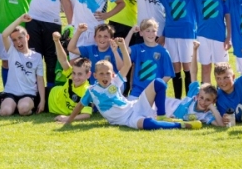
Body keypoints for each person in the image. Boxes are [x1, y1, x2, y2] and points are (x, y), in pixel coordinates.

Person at [64, 55, 201, 130]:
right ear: (95, 75)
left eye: (108, 74)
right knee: (146, 125)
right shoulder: (91, 91)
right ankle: (181, 125)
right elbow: (80, 106)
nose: (105, 76)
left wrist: (122, 46)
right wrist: (68, 121)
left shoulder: (115, 82)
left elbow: (128, 64)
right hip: (126, 119)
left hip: (134, 106)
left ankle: (161, 116)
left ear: (112, 75)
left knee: (158, 83)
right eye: (101, 74)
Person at [142, 0, 196, 99]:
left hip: (186, 33)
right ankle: (178, 100)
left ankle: (189, 99)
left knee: (187, 68)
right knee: (176, 68)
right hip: (171, 34)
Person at [172, 0, 231, 84]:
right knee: (205, 68)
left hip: (220, 36)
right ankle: (207, 97)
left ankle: (223, 99)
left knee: (222, 70)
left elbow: (228, 15)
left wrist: (229, 37)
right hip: (203, 35)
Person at [160, 40, 224, 126]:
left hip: (166, 115)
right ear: (197, 96)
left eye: (208, 100)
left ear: (213, 101)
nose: (203, 102)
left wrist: (212, 108)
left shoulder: (205, 115)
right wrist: (195, 50)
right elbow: (193, 72)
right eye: (201, 97)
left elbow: (221, 125)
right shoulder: (194, 93)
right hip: (167, 104)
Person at [0, 15, 45, 116]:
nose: (18, 42)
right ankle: (9, 105)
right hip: (11, 93)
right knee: (5, 112)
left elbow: (40, 79)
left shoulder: (37, 56)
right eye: (14, 40)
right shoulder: (12, 52)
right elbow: (4, 35)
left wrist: (42, 101)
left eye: (20, 38)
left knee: (23, 110)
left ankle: (21, 106)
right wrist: (19, 20)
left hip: (28, 94)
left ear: (27, 37)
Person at [124, 19, 174, 99]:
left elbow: (168, 75)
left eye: (153, 31)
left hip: (155, 92)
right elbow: (124, 50)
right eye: (148, 31)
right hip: (137, 91)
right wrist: (131, 32)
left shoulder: (163, 52)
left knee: (152, 110)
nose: (151, 34)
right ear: (141, 33)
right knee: (131, 110)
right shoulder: (137, 48)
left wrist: (156, 88)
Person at [51, 31, 93, 123]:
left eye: (80, 74)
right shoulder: (70, 75)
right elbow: (63, 60)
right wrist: (56, 41)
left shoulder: (87, 91)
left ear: (88, 75)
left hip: (53, 107)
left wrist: (67, 118)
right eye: (74, 73)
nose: (75, 77)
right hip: (50, 95)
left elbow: (86, 114)